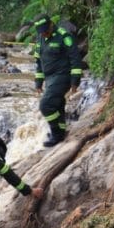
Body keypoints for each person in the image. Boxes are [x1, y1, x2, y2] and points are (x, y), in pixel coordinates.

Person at [33, 13, 83, 147]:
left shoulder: (64, 36)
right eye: (41, 33)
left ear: (51, 24)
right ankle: (60, 130)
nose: (44, 34)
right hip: (49, 78)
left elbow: (75, 59)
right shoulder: (40, 40)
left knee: (45, 105)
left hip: (63, 76)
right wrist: (38, 82)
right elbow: (38, 62)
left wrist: (75, 81)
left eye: (46, 31)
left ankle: (56, 133)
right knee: (57, 104)